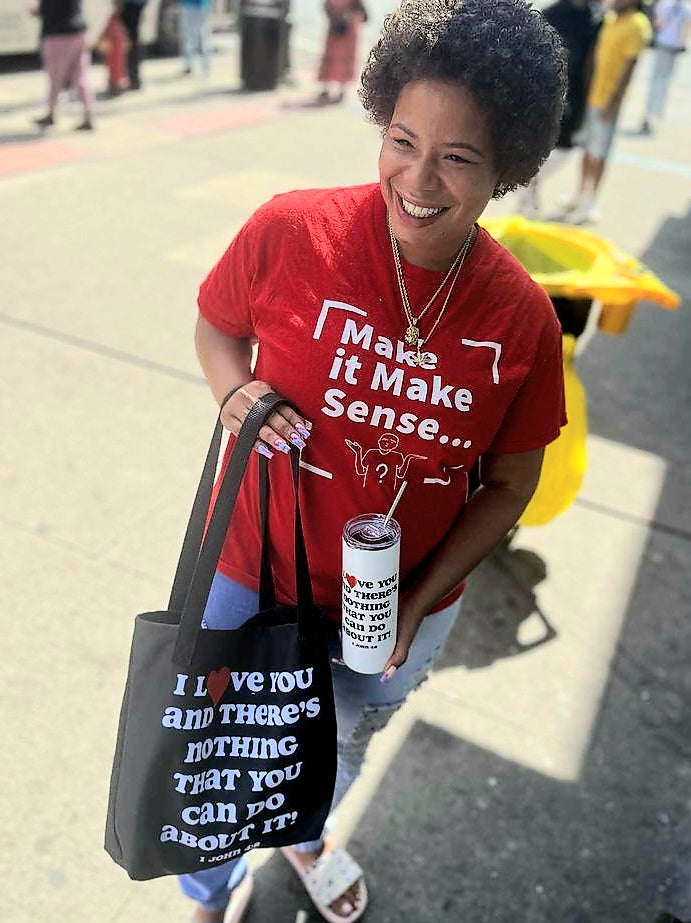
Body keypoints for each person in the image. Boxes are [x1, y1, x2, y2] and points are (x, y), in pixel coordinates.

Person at [181, 1, 567, 921]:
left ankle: (307, 835)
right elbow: (216, 326)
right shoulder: (288, 230)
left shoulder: (521, 320)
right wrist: (230, 388)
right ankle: (209, 888)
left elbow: (512, 481)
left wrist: (415, 595)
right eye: (402, 139)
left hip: (396, 606)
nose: (418, 177)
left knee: (334, 745)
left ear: (506, 166)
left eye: (458, 156)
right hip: (249, 569)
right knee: (216, 754)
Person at [564, 0, 652, 224]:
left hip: (607, 103)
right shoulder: (610, 20)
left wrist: (612, 102)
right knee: (586, 151)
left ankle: (591, 202)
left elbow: (629, 67)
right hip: (592, 97)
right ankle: (580, 194)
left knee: (599, 154)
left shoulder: (638, 25)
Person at [519, 0, 600, 216]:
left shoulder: (594, 19)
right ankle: (527, 192)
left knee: (565, 149)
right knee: (538, 146)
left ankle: (529, 183)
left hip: (576, 96)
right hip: (546, 92)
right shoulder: (552, 13)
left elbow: (590, 65)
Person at [31, 0, 95, 130]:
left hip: (57, 36)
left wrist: (34, 10)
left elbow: (46, 11)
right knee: (80, 77)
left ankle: (51, 114)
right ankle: (88, 116)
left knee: (55, 79)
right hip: (79, 33)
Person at [640, 0, 691, 133]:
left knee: (656, 80)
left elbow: (658, 23)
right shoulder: (686, 8)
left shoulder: (665, 4)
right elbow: (686, 30)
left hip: (663, 43)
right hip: (674, 46)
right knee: (664, 81)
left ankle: (649, 113)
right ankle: (655, 113)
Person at [315, 0, 367, 104]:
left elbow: (363, 13)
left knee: (344, 59)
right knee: (330, 57)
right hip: (337, 28)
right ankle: (328, 89)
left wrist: (346, 17)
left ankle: (340, 91)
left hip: (347, 30)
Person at [95, 1, 130, 96]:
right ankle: (114, 86)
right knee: (114, 68)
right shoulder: (114, 18)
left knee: (117, 68)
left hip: (116, 49)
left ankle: (116, 86)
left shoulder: (117, 19)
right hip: (112, 49)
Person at [179, 0, 212, 78]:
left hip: (189, 6)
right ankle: (205, 67)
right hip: (202, 5)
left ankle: (189, 65)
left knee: (189, 37)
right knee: (202, 37)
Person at [121, 0, 148, 91]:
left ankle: (133, 79)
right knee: (133, 39)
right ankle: (133, 79)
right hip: (137, 4)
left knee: (130, 41)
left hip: (131, 4)